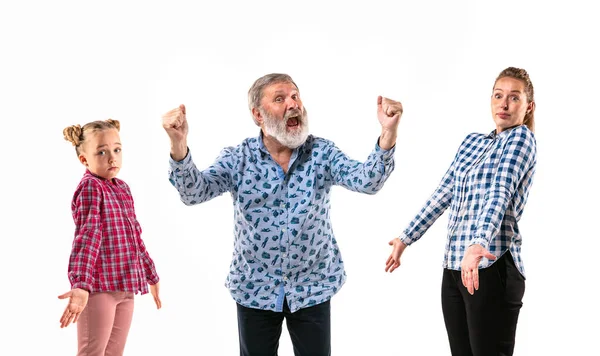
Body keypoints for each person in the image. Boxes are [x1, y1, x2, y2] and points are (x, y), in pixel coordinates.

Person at [162, 73, 403, 356]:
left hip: (312, 286)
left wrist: (388, 133)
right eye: (280, 98)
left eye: (295, 96)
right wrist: (179, 144)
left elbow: (367, 180)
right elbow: (194, 192)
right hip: (255, 288)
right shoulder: (238, 158)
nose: (293, 104)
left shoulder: (321, 153)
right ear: (258, 115)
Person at [385, 67, 537, 356]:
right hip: (454, 266)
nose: (504, 104)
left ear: (528, 107)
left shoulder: (521, 139)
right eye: (498, 96)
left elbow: (499, 192)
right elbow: (443, 193)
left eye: (514, 98)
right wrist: (406, 238)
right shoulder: (471, 142)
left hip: (492, 266)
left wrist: (478, 244)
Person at [59, 119, 162, 356]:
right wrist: (81, 285)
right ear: (84, 159)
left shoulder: (122, 188)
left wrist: (151, 275)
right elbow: (87, 237)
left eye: (117, 149)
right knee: (92, 352)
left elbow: (135, 237)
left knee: (114, 353)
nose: (112, 158)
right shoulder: (90, 188)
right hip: (99, 288)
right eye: (102, 152)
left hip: (125, 287)